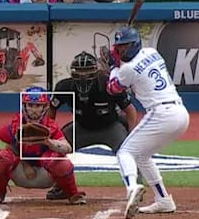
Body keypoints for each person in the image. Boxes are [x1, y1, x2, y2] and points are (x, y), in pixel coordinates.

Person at [106, 27, 190, 218]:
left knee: (125, 152)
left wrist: (113, 67)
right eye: (119, 47)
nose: (122, 50)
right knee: (142, 156)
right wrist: (118, 62)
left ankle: (132, 187)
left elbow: (112, 89)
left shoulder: (127, 70)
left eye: (125, 46)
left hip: (162, 114)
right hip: (180, 113)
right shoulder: (152, 52)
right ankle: (164, 200)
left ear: (134, 45)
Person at [44, 51, 137, 200]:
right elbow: (52, 108)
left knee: (128, 151)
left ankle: (134, 187)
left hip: (110, 127)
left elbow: (130, 110)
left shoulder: (109, 84)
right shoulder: (64, 86)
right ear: (72, 72)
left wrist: (133, 136)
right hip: (81, 127)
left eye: (87, 71)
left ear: (96, 71)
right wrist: (50, 131)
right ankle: (62, 186)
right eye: (79, 71)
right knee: (55, 147)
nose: (83, 75)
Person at [0, 86, 86, 205]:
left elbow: (67, 148)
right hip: (21, 172)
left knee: (59, 161)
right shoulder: (16, 125)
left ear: (45, 107)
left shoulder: (51, 127)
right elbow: (8, 144)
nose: (33, 109)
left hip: (45, 172)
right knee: (0, 157)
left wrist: (48, 142)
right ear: (24, 106)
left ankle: (73, 194)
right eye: (30, 105)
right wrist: (26, 165)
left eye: (37, 106)